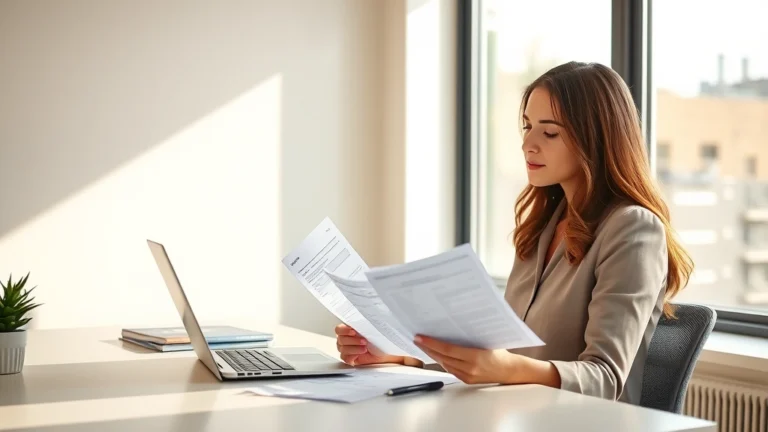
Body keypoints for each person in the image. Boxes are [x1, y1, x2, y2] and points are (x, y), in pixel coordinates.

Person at [334, 61, 693, 404]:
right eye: (527, 126)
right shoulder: (541, 227)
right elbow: (497, 359)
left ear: (595, 140)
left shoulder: (633, 229)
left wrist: (502, 366)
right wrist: (397, 355)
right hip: (514, 415)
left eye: (549, 132)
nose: (528, 144)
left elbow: (604, 379)